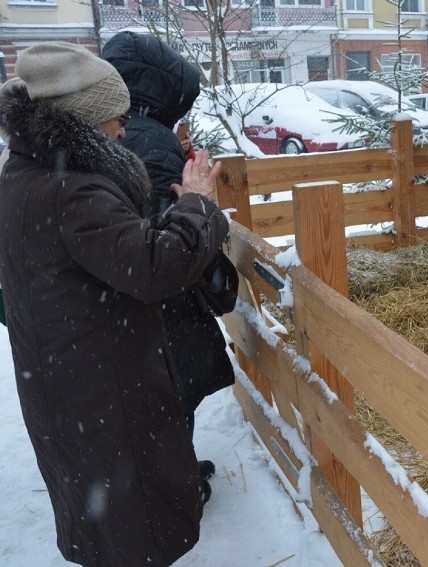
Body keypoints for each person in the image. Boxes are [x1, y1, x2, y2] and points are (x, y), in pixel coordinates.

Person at [0, 42, 227, 566]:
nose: (124, 131)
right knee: (133, 528)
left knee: (107, 522)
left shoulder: (24, 171)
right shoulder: (71, 191)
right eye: (115, 119)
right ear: (84, 122)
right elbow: (157, 266)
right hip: (102, 394)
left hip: (69, 381)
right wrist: (196, 202)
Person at [102, 31, 236, 499]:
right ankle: (174, 490)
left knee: (154, 403)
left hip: (123, 305)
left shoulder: (118, 135)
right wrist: (200, 205)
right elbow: (168, 242)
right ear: (161, 89)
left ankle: (166, 475)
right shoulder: (152, 142)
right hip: (164, 306)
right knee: (171, 398)